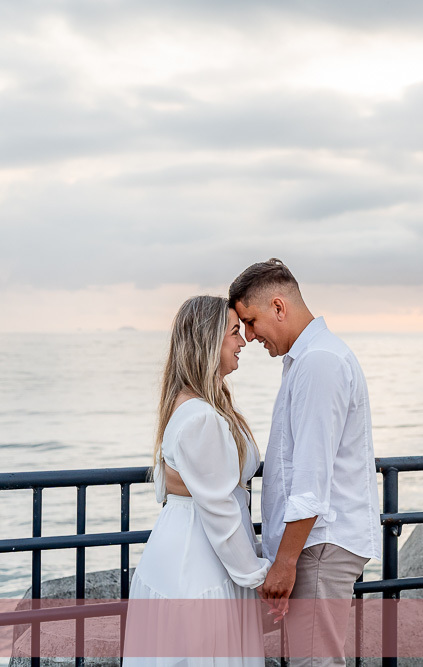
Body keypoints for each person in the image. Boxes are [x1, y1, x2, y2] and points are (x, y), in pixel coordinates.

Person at [228, 259, 381, 667]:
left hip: (319, 547)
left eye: (251, 320)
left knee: (315, 664)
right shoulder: (309, 360)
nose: (249, 334)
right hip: (315, 545)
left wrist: (285, 563)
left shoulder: (319, 363)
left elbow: (312, 479)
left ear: (279, 306)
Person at [123, 296, 270, 666]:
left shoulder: (193, 403)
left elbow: (174, 472)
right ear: (209, 341)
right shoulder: (201, 416)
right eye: (235, 332)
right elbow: (218, 508)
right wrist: (256, 574)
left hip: (183, 552)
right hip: (200, 565)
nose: (243, 342)